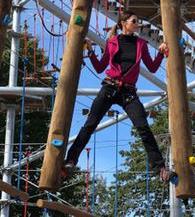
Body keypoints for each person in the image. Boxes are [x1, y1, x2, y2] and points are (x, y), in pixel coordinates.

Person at [63, 11, 170, 182]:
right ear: (123, 23)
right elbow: (99, 67)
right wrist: (90, 51)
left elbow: (152, 68)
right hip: (109, 87)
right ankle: (71, 159)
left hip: (128, 92)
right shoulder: (112, 42)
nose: (137, 24)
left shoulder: (141, 44)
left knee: (143, 128)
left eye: (137, 21)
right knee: (90, 124)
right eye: (134, 21)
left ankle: (161, 168)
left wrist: (160, 54)